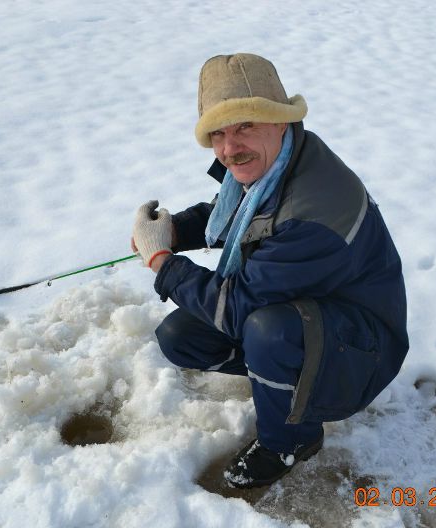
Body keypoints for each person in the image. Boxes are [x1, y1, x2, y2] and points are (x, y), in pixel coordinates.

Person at [131, 53, 408, 489]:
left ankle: (291, 440)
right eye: (218, 133)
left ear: (280, 120)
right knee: (180, 337)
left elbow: (237, 309)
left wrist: (162, 262)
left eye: (245, 125)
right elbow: (243, 216)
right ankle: (281, 379)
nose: (229, 147)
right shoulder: (280, 159)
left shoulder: (313, 210)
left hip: (365, 350)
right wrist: (175, 230)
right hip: (314, 316)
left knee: (265, 330)